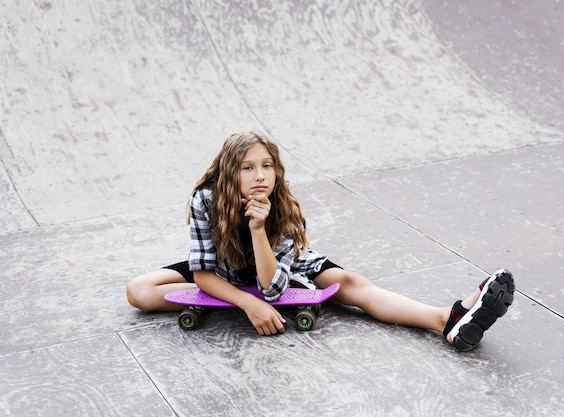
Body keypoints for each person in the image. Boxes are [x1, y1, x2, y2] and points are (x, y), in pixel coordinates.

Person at [126, 131, 515, 351]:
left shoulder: (278, 204)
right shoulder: (206, 200)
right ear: (230, 173)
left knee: (351, 284)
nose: (260, 176)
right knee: (139, 292)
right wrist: (244, 303)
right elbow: (203, 273)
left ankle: (448, 318)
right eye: (247, 168)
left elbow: (274, 288)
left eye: (267, 166)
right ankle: (227, 298)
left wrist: (259, 230)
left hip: (278, 268)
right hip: (223, 266)